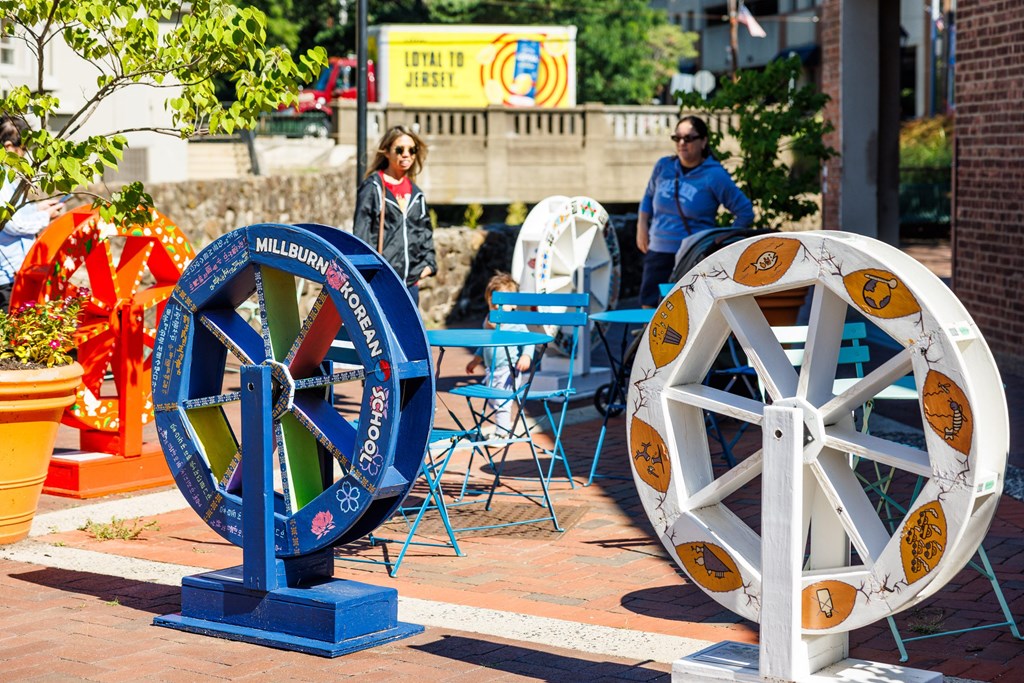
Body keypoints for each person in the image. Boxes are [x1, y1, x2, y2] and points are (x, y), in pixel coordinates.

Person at [636, 115, 754, 307]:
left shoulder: (714, 175)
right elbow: (648, 197)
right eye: (677, 138)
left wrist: (725, 243)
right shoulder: (663, 167)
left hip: (692, 256)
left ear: (703, 141)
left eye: (689, 138)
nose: (682, 143)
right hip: (658, 251)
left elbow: (745, 211)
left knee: (687, 312)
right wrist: (641, 226)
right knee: (650, 312)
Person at [353, 125, 436, 304]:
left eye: (411, 150)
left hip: (411, 285)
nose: (406, 155)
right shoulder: (373, 188)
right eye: (400, 150)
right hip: (382, 283)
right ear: (387, 152)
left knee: (408, 333)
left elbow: (425, 232)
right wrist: (369, 273)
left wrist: (427, 266)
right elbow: (361, 235)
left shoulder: (416, 193)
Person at [0, 115, 63, 311]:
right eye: (24, 149)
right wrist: (46, 217)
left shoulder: (7, 177)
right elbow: (12, 222)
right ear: (9, 147)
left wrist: (38, 207)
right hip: (7, 276)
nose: (24, 156)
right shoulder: (2, 178)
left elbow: (14, 208)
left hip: (15, 271)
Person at [465, 272, 534, 437]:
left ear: (512, 306)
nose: (497, 307)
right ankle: (501, 428)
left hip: (508, 369)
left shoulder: (515, 321)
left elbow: (529, 340)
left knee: (502, 401)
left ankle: (502, 433)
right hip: (491, 368)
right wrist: (476, 359)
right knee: (493, 401)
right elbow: (485, 344)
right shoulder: (487, 320)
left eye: (502, 303)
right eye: (493, 302)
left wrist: (526, 356)